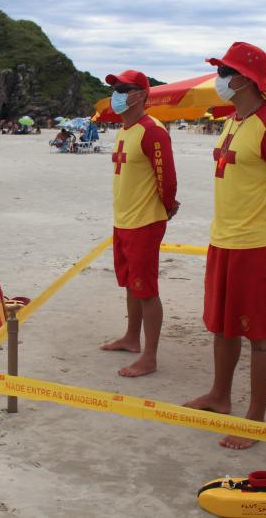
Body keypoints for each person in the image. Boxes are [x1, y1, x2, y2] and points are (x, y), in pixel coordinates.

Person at [183, 42, 266, 450]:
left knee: (259, 331)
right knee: (221, 323)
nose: (219, 77)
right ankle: (220, 396)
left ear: (244, 79)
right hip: (224, 238)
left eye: (224, 71)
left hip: (257, 244)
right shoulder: (235, 118)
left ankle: (255, 417)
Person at [99, 69, 179, 377]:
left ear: (142, 95)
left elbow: (167, 179)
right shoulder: (124, 129)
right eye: (115, 88)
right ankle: (132, 338)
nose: (117, 93)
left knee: (146, 288)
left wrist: (167, 207)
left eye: (124, 88)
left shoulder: (153, 130)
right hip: (123, 220)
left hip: (144, 222)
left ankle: (150, 355)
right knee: (132, 283)